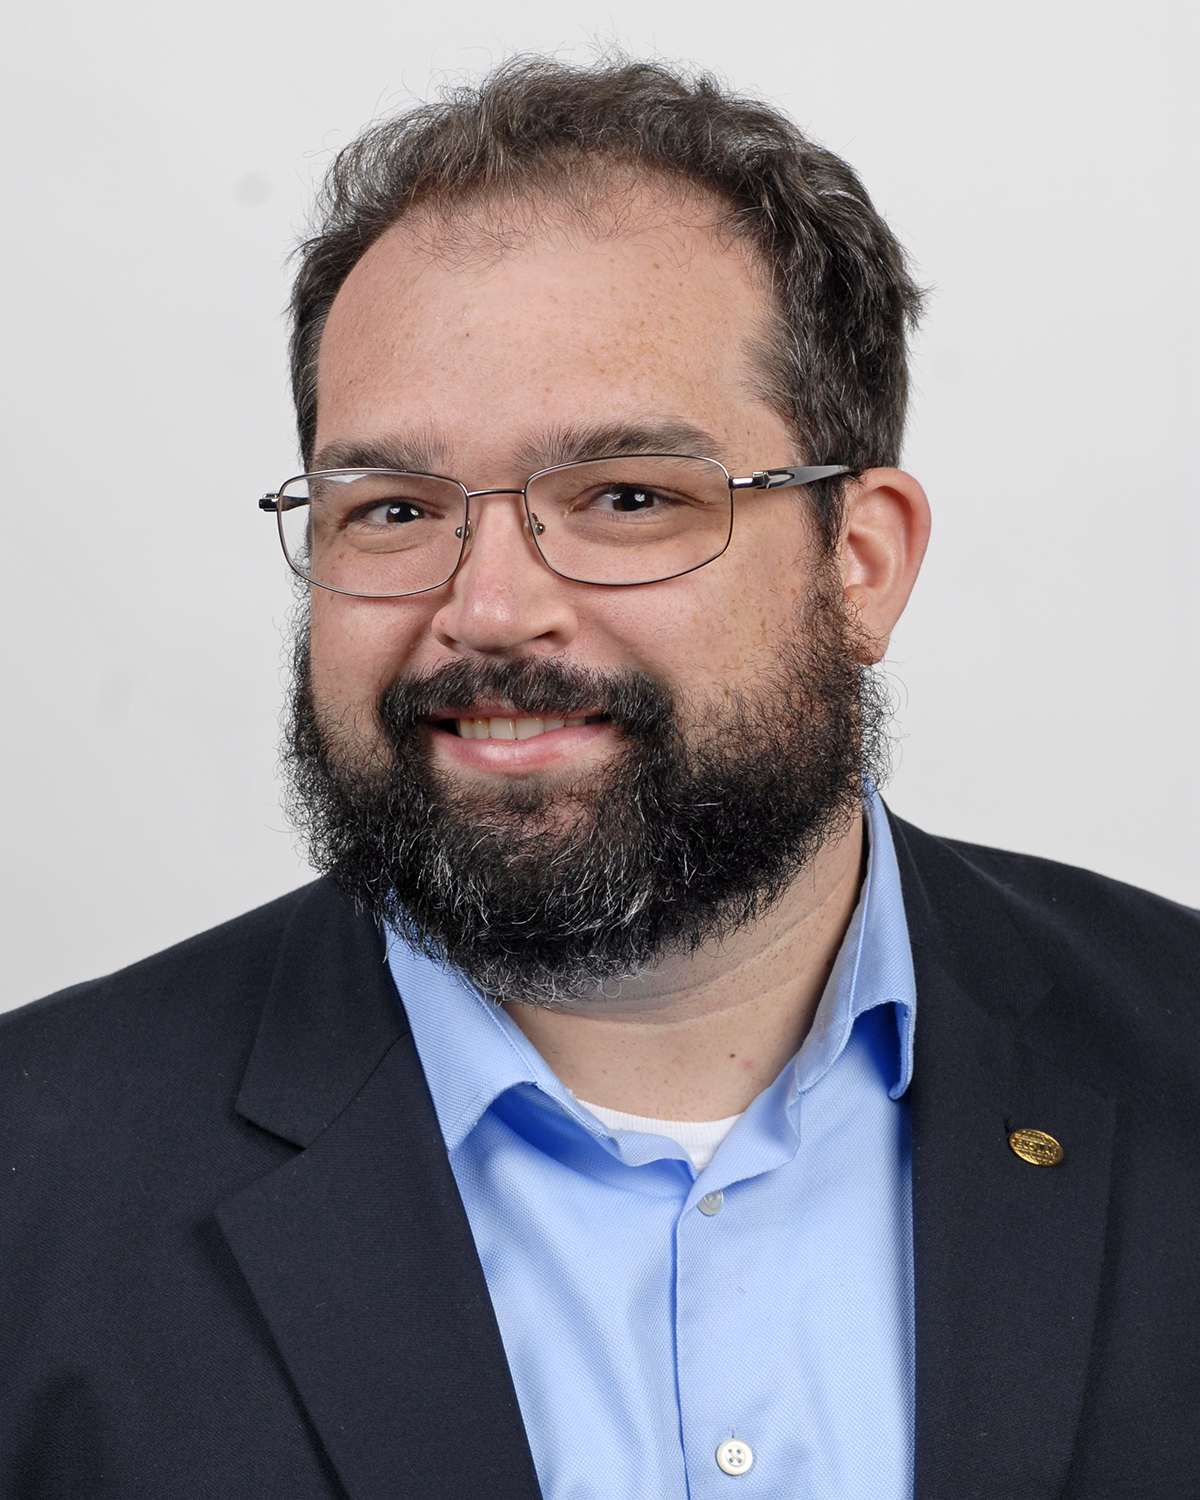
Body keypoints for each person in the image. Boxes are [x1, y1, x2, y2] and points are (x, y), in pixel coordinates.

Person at [2, 56, 1197, 1500]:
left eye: (628, 497)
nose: (490, 610)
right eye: (393, 509)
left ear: (864, 562)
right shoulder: (32, 1188)